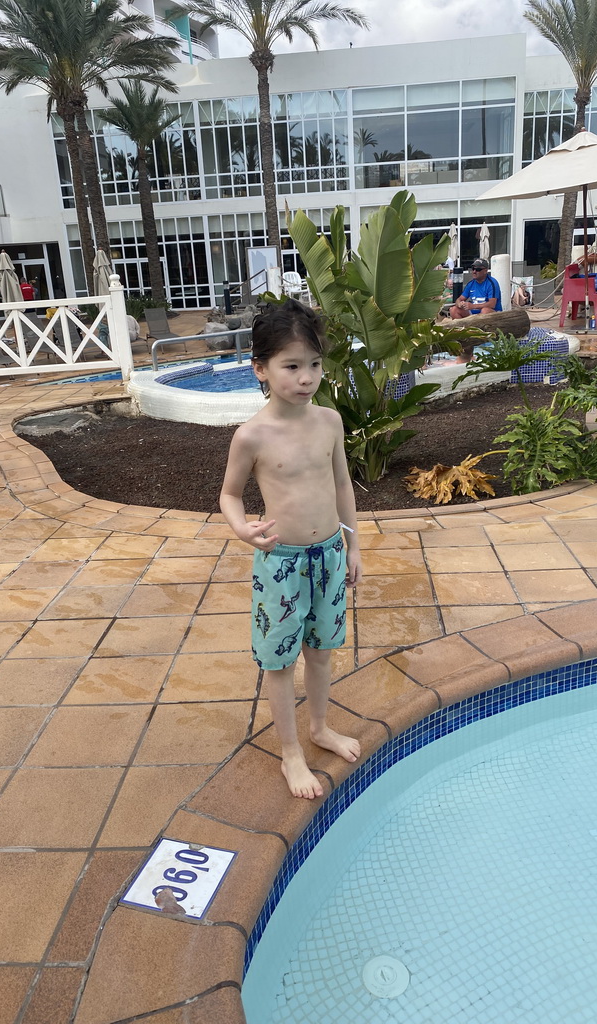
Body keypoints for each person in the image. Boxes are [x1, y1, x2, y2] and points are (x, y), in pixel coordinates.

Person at [219, 299, 362, 800]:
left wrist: (353, 543)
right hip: (280, 565)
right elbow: (230, 494)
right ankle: (290, 752)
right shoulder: (252, 436)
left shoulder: (329, 421)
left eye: (315, 365)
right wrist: (242, 528)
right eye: (292, 366)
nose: (307, 378)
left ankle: (320, 727)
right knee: (280, 661)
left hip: (329, 556)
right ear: (260, 368)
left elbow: (343, 484)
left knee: (321, 652)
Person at [448, 258, 502, 362]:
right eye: (473, 268)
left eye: (477, 269)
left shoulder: (492, 283)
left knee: (485, 311)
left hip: (492, 315)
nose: (474, 271)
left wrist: (473, 306)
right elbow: (459, 299)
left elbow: (492, 304)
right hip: (473, 316)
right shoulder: (471, 284)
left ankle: (482, 339)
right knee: (454, 310)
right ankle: (465, 338)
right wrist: (460, 304)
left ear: (485, 271)